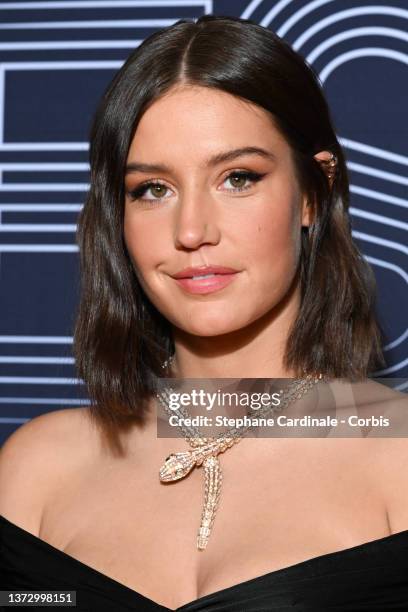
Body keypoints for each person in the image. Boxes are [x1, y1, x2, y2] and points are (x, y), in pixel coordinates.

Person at [1, 14, 407, 612]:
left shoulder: (396, 453)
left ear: (313, 193)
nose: (191, 231)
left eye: (237, 178)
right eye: (152, 189)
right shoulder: (37, 468)